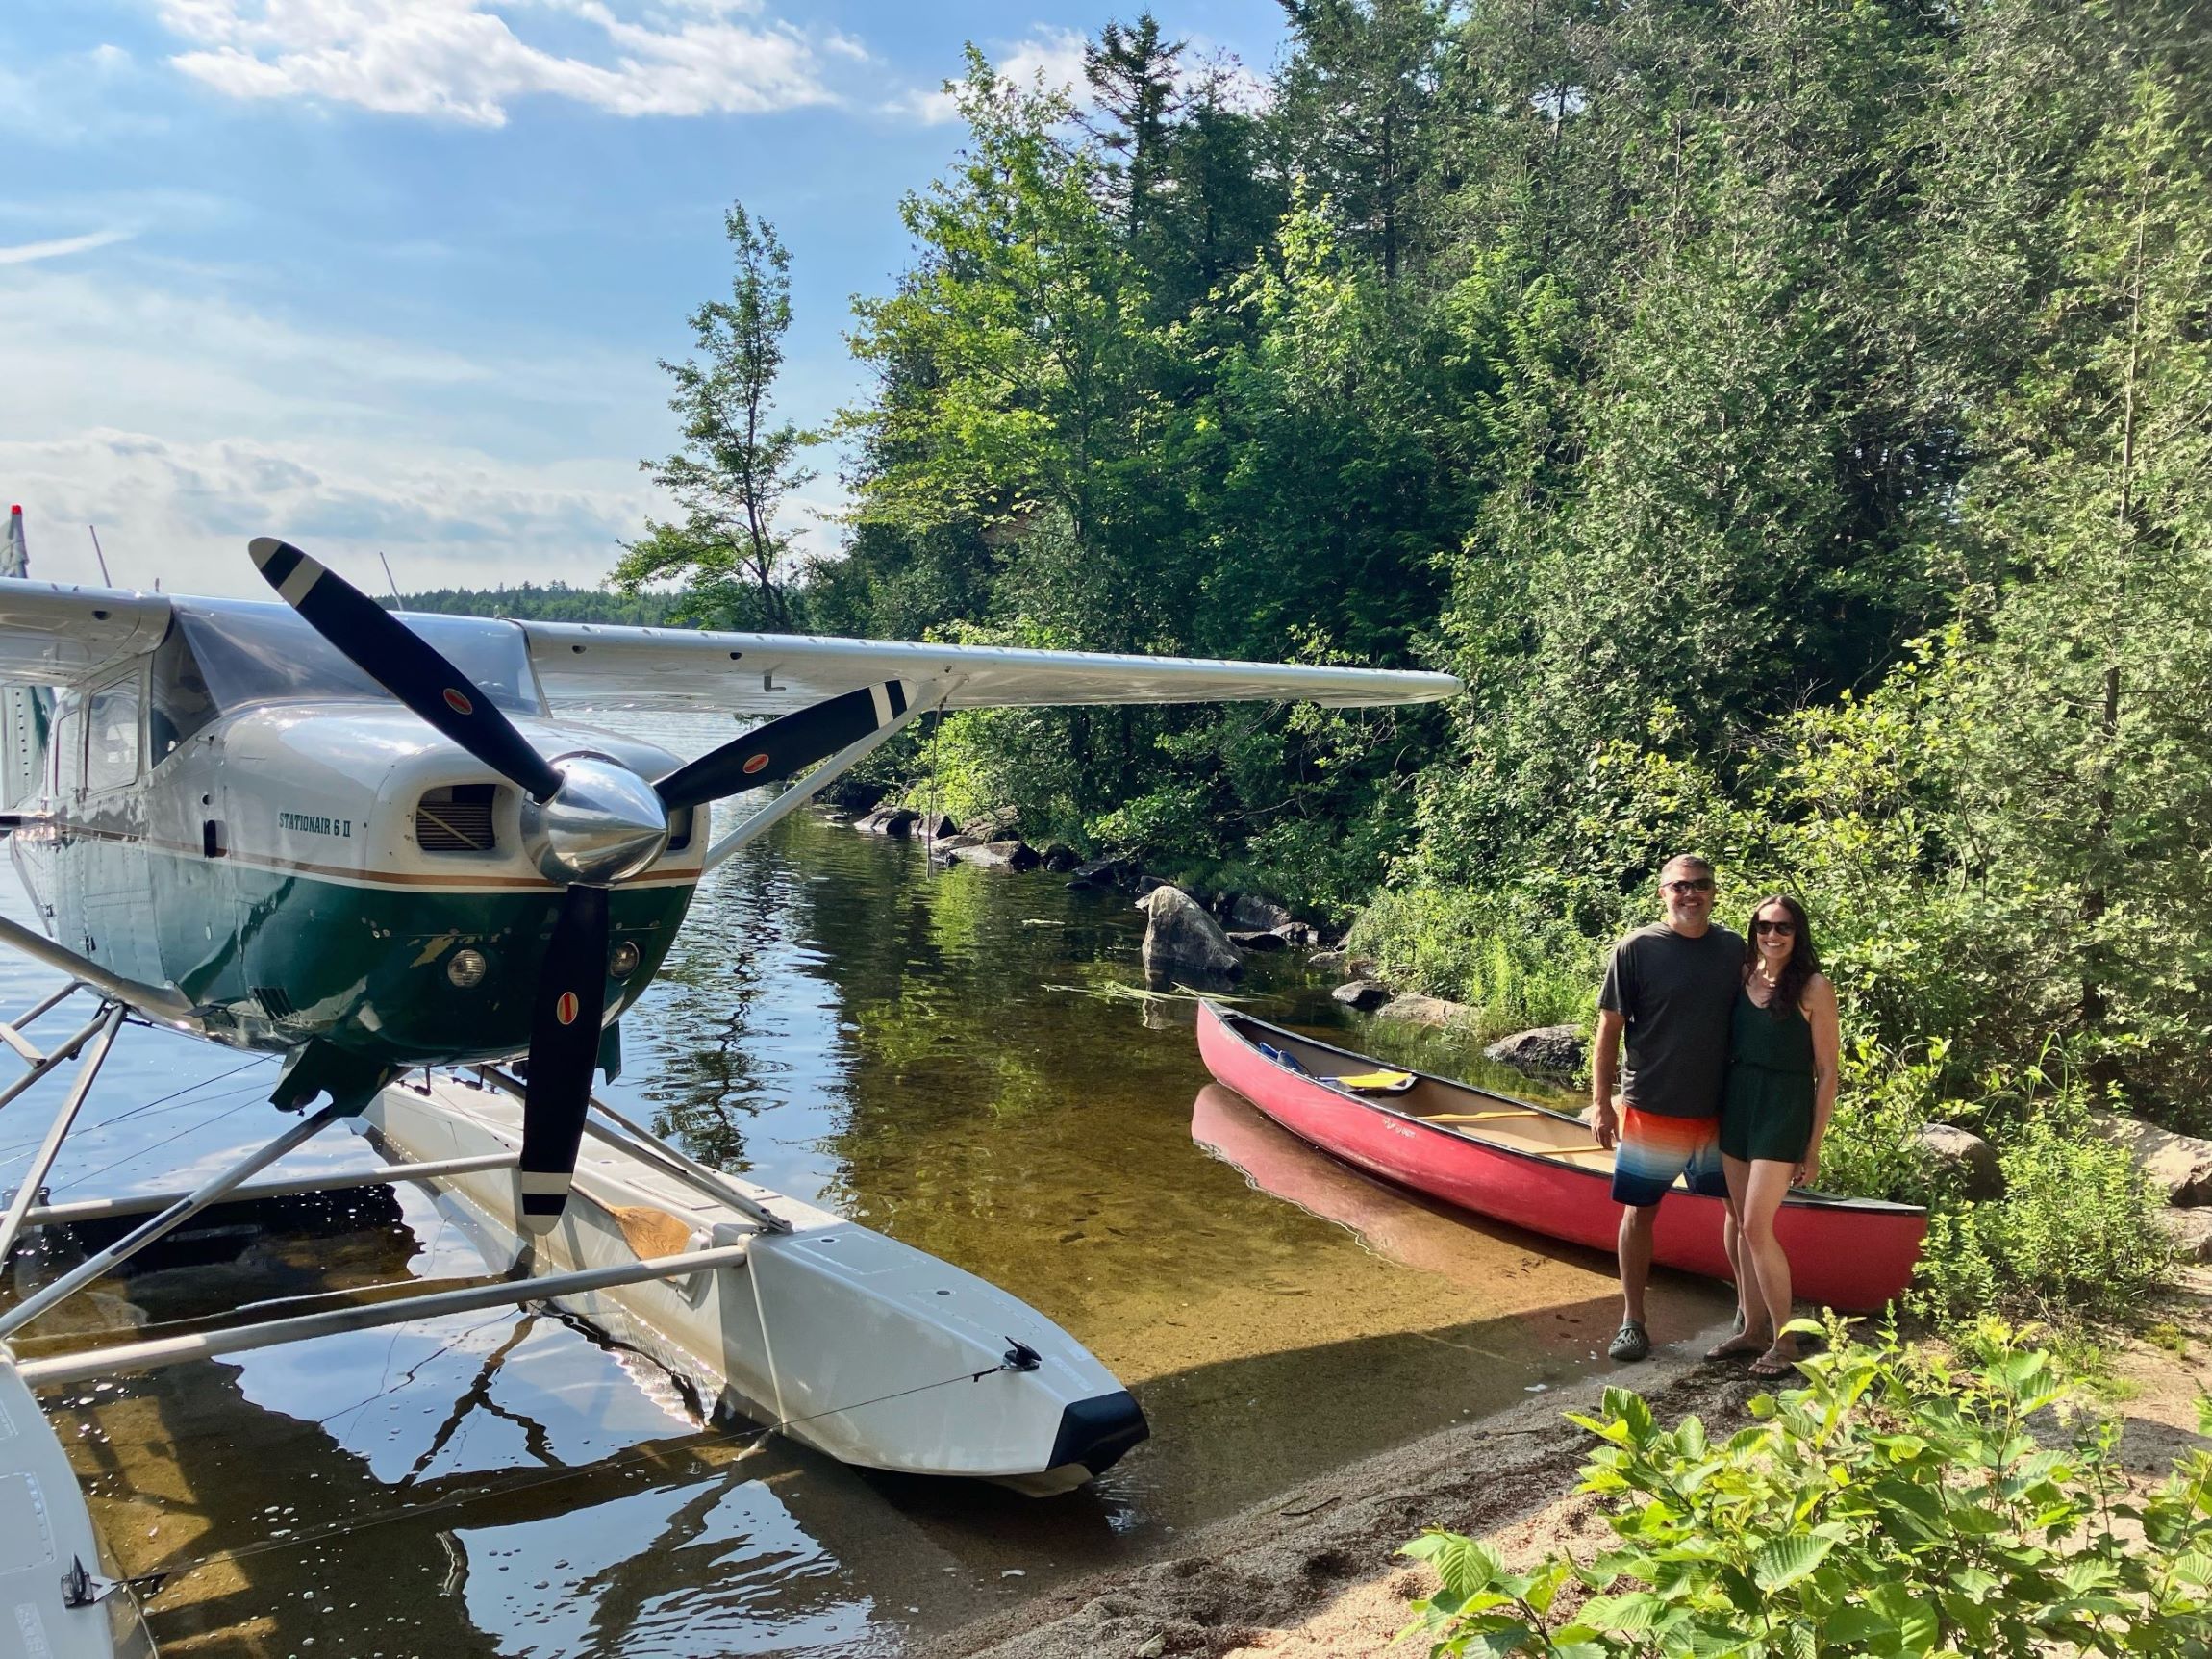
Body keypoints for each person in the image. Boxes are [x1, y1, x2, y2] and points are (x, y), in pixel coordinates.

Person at [1590, 855, 1748, 1362]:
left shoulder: (1733, 948)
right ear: (1663, 892)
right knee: (1641, 1212)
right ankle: (1632, 1321)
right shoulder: (1636, 949)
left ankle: (1749, 1313)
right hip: (1653, 1106)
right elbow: (1609, 1031)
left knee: (1739, 1212)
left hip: (1718, 1109)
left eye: (1700, 885)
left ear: (1714, 892)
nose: (1690, 894)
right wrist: (1601, 1104)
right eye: (1680, 886)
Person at [1705, 894, 1841, 1378]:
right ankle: (1752, 1330)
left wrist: (1812, 1147)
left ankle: (1787, 1343)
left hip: (1783, 1109)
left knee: (1757, 1226)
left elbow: (1827, 1073)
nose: (1772, 935)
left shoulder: (1814, 987)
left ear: (1797, 932)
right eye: (1763, 926)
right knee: (1741, 1222)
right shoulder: (1745, 975)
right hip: (1738, 1104)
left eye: (1782, 927)